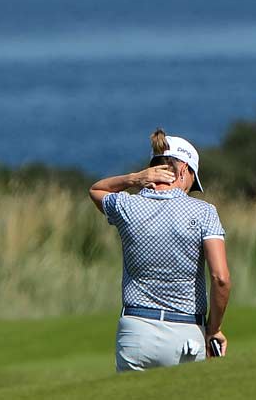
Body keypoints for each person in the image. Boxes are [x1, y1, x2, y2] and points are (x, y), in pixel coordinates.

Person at [89, 129, 232, 372]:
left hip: (136, 332)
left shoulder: (127, 206)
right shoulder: (204, 212)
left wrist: (134, 179)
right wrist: (213, 329)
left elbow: (96, 190)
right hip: (186, 334)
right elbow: (221, 279)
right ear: (184, 170)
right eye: (192, 182)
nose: (189, 189)